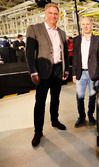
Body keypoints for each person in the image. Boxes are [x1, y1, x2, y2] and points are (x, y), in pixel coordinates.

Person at [25, 3, 69, 147]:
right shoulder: (34, 29)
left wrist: (66, 69)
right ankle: (38, 131)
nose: (53, 16)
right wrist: (33, 71)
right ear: (45, 13)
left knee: (55, 98)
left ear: (59, 15)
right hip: (42, 72)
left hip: (57, 70)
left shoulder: (62, 33)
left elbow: (65, 54)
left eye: (56, 13)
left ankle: (55, 120)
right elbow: (29, 54)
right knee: (40, 103)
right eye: (50, 13)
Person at [72, 17, 99, 128]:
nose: (86, 26)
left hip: (93, 73)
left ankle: (90, 115)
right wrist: (73, 74)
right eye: (83, 24)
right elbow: (75, 58)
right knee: (80, 97)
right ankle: (81, 117)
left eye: (88, 24)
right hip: (80, 73)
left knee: (92, 97)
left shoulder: (97, 40)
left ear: (91, 26)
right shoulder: (76, 40)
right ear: (81, 26)